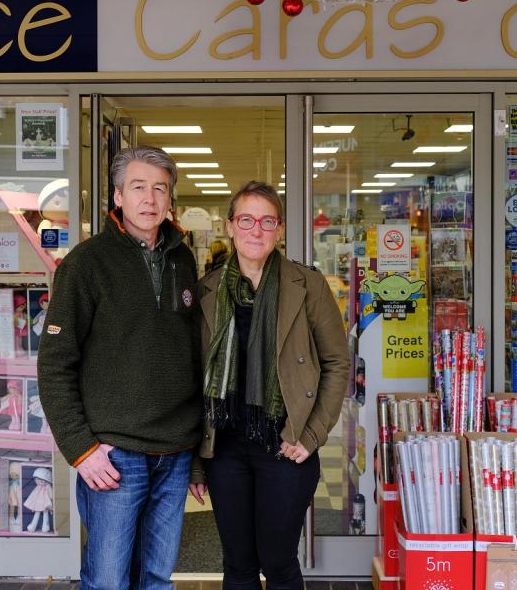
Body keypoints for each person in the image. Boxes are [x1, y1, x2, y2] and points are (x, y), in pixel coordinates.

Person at [37, 146, 201, 590]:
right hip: (114, 455)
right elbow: (54, 366)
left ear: (170, 200)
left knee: (156, 577)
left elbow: (194, 357)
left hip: (175, 451)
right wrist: (81, 449)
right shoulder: (85, 265)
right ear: (118, 196)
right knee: (108, 580)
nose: (150, 199)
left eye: (160, 189)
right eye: (139, 187)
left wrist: (198, 456)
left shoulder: (182, 259)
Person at [189, 181, 349, 590]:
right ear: (230, 226)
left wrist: (311, 435)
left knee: (278, 563)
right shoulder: (207, 291)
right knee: (238, 564)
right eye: (246, 219)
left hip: (285, 445)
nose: (255, 230)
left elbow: (336, 363)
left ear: (279, 229)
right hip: (225, 449)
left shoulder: (308, 286)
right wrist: (195, 461)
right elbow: (193, 379)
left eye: (267, 221)